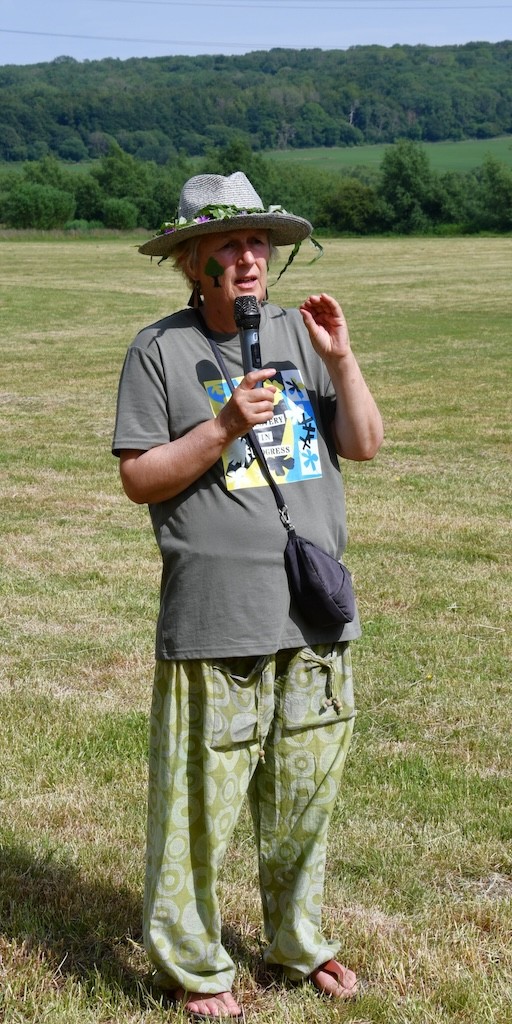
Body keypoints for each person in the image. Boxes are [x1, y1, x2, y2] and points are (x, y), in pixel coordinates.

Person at [112, 171, 383, 1020]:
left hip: (313, 610)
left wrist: (342, 358)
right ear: (193, 262)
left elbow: (364, 444)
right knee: (199, 805)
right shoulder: (159, 351)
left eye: (258, 241)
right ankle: (194, 967)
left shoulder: (303, 335)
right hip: (216, 614)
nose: (248, 257)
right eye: (227, 244)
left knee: (306, 795)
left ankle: (298, 941)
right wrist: (225, 425)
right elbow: (139, 478)